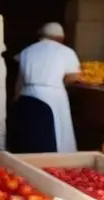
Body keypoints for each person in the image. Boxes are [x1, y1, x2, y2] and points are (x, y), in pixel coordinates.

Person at [11, 22, 82, 153]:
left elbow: (19, 79)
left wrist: (15, 99)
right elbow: (73, 77)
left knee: (30, 132)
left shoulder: (28, 50)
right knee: (56, 132)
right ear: (61, 38)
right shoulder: (65, 51)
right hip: (52, 96)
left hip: (27, 93)